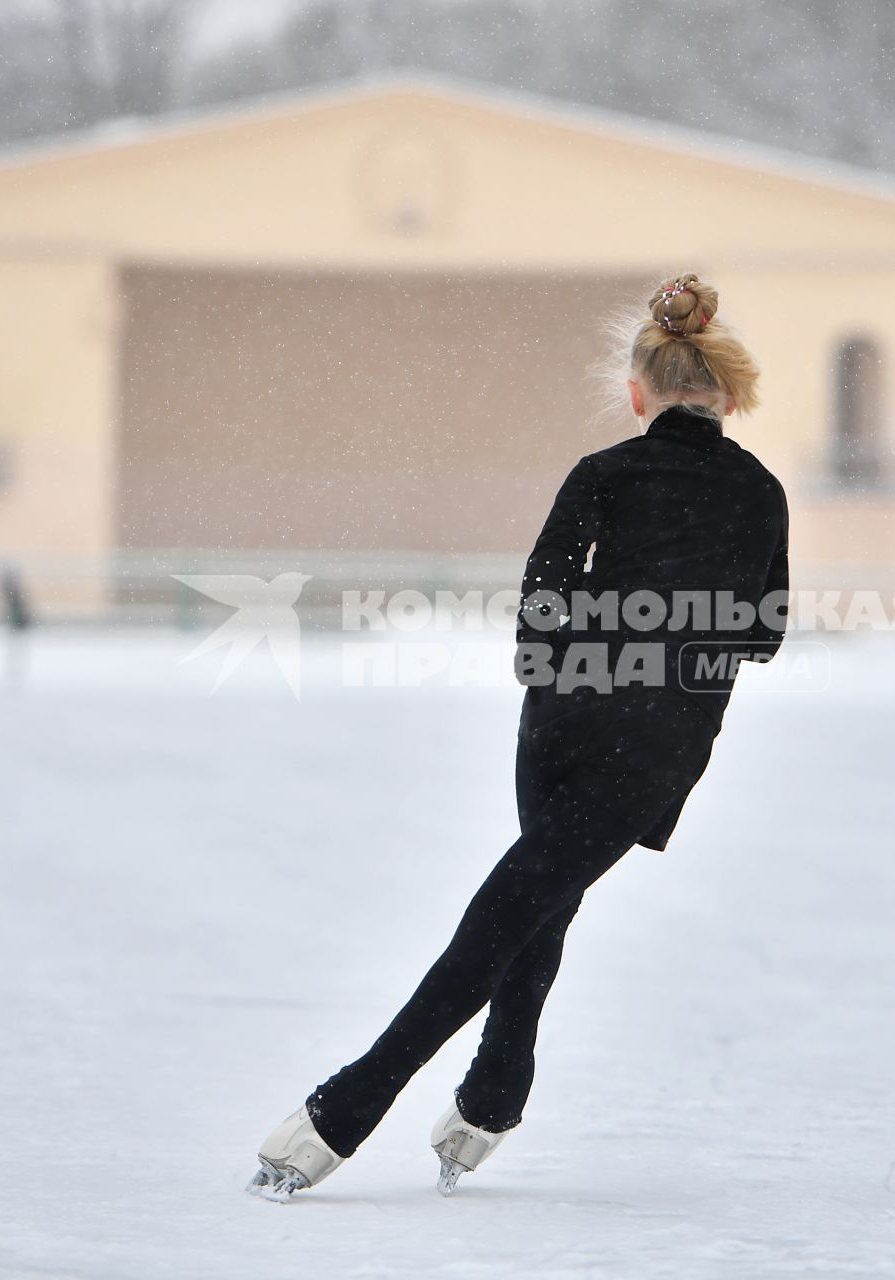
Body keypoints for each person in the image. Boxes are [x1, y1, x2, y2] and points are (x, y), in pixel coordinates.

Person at [249, 273, 791, 1202]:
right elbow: (764, 633)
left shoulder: (603, 474)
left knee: (532, 896)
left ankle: (443, 1099)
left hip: (563, 721)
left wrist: (582, 653)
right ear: (728, 395)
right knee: (535, 898)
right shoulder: (762, 492)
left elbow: (541, 607)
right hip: (663, 737)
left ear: (638, 392)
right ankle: (410, 1103)